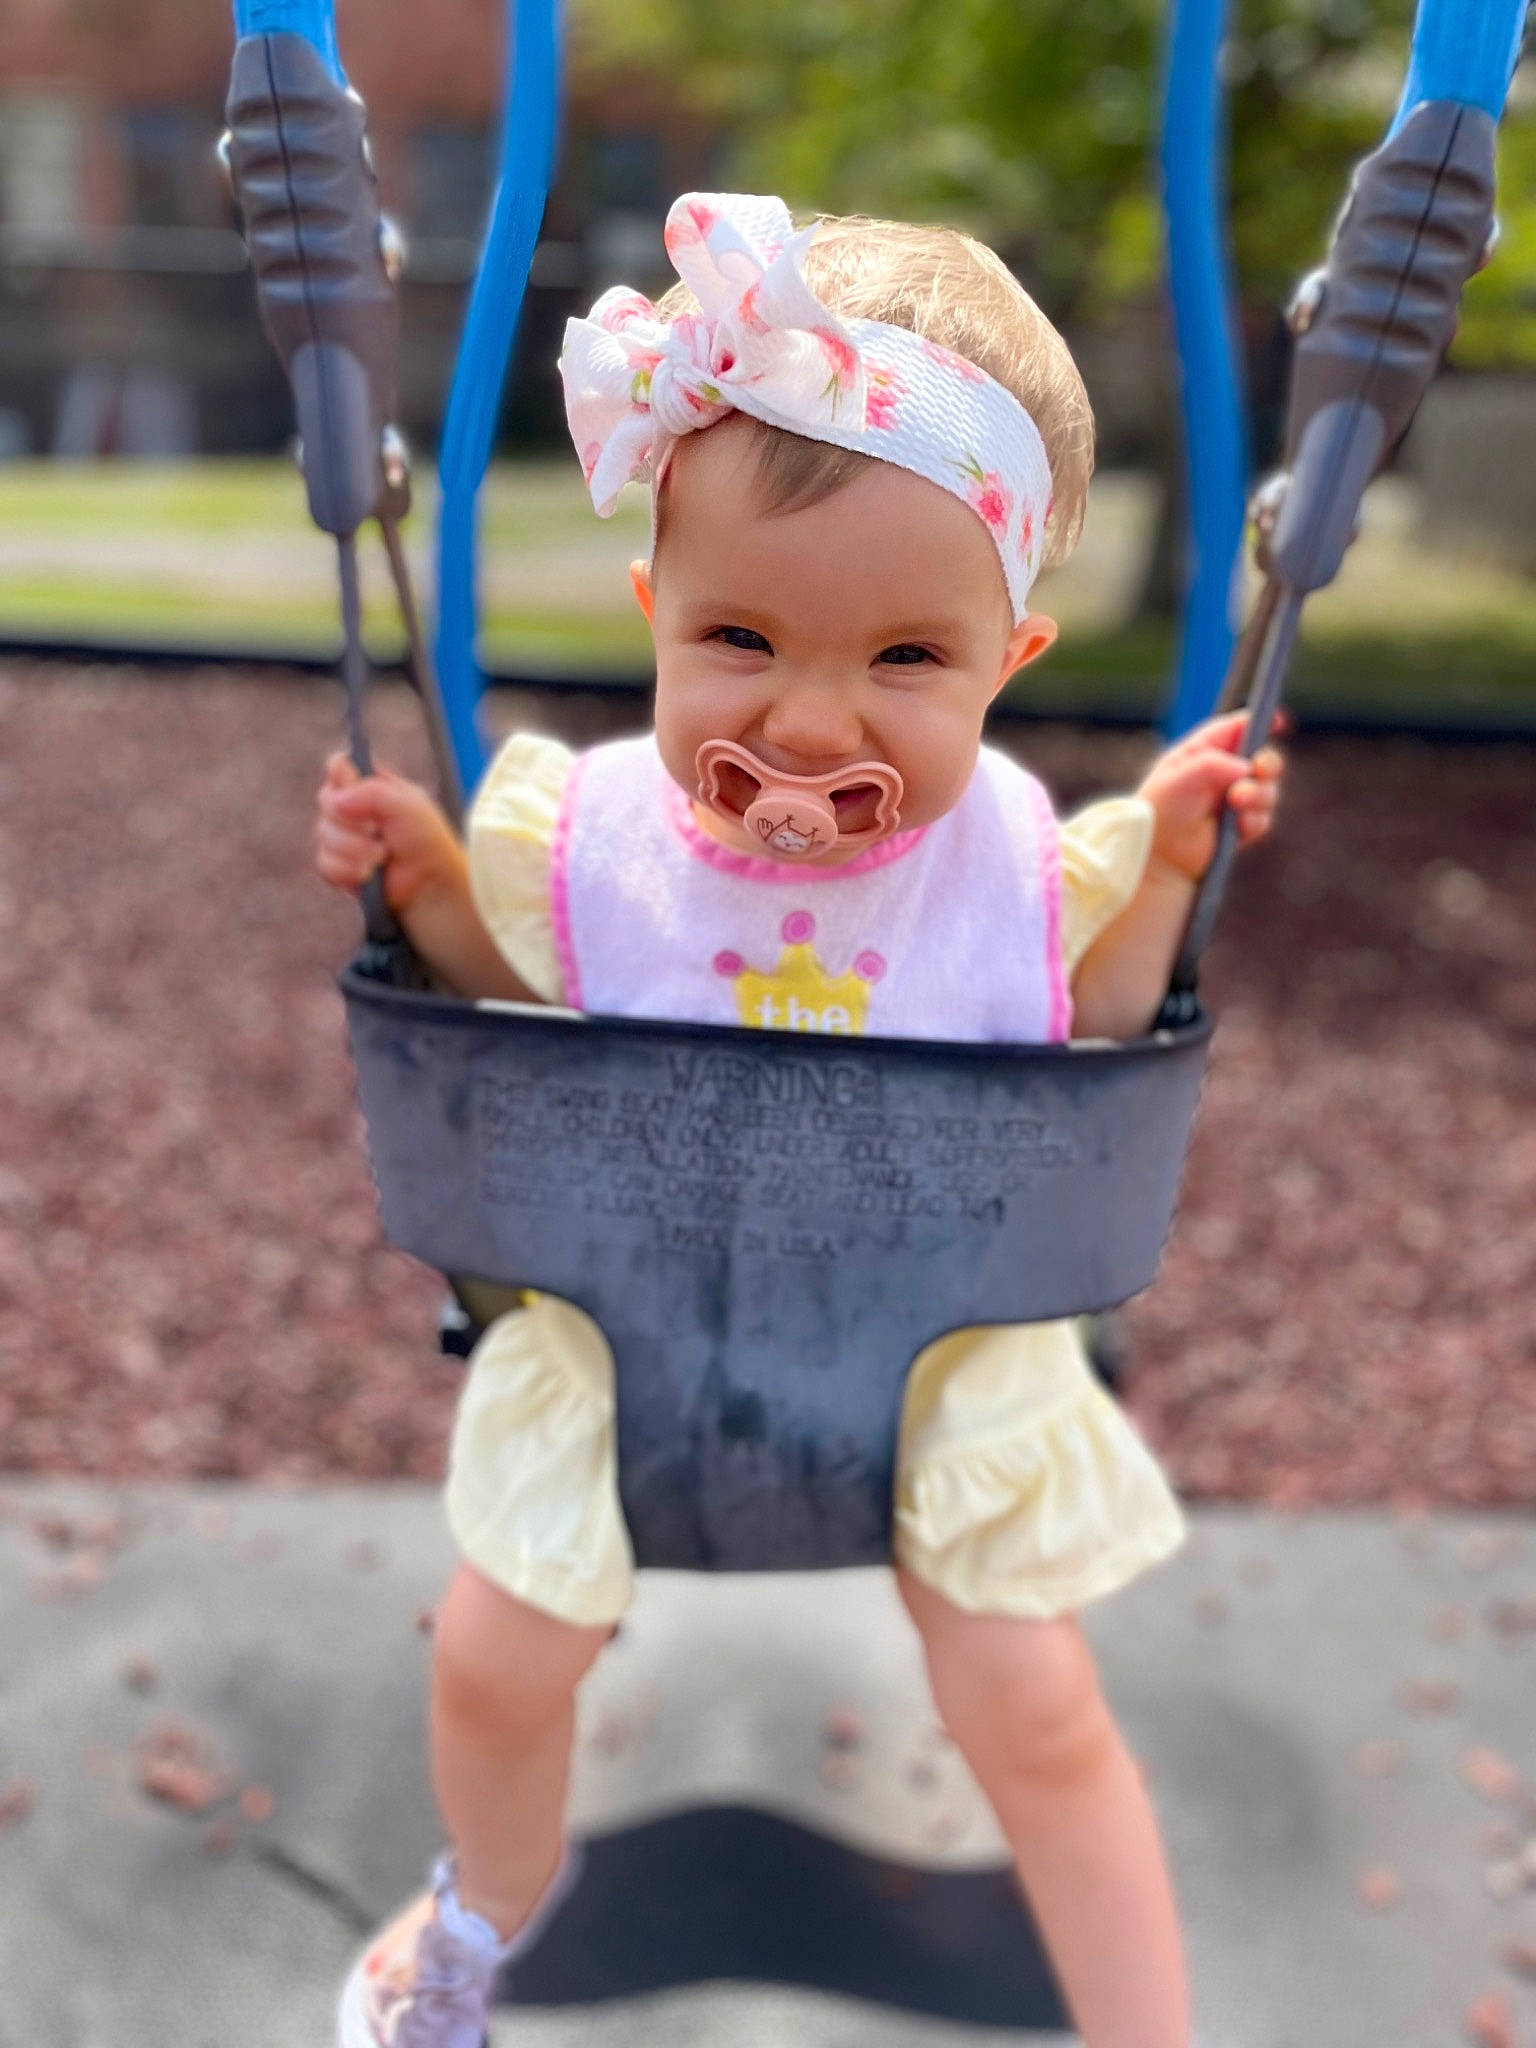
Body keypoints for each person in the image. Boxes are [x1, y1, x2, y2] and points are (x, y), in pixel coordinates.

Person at [315, 193, 1283, 2048]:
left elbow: (1086, 1022)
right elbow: (515, 1011)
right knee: (498, 1655)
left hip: (937, 1355)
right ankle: (494, 1898)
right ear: (652, 616)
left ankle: (1148, 2026)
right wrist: (426, 884)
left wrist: (1162, 868)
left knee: (1039, 1701)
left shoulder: (1017, 864)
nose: (814, 724)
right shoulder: (579, 837)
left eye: (906, 662)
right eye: (741, 636)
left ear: (1009, 658)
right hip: (625, 1335)